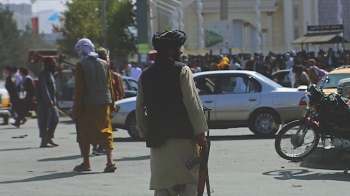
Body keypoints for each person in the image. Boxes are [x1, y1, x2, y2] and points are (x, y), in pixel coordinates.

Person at [136, 30, 208, 195]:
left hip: (158, 143)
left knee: (163, 187)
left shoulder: (145, 75)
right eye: (179, 47)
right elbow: (192, 103)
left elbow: (139, 108)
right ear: (170, 50)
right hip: (183, 140)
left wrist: (147, 133)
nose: (181, 51)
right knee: (188, 184)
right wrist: (201, 132)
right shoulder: (182, 70)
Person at [73, 38, 116, 172]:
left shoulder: (81, 65)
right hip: (104, 102)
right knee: (106, 130)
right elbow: (110, 86)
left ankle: (86, 163)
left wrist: (76, 109)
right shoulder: (104, 64)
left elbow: (79, 89)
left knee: (84, 133)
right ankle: (110, 162)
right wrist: (112, 103)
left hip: (88, 105)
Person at [36, 57, 60, 147]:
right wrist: (49, 101)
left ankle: (49, 137)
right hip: (45, 103)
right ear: (47, 64)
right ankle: (43, 141)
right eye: (53, 63)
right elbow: (44, 88)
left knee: (55, 120)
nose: (54, 65)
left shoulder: (50, 73)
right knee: (44, 122)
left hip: (52, 103)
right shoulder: (43, 74)